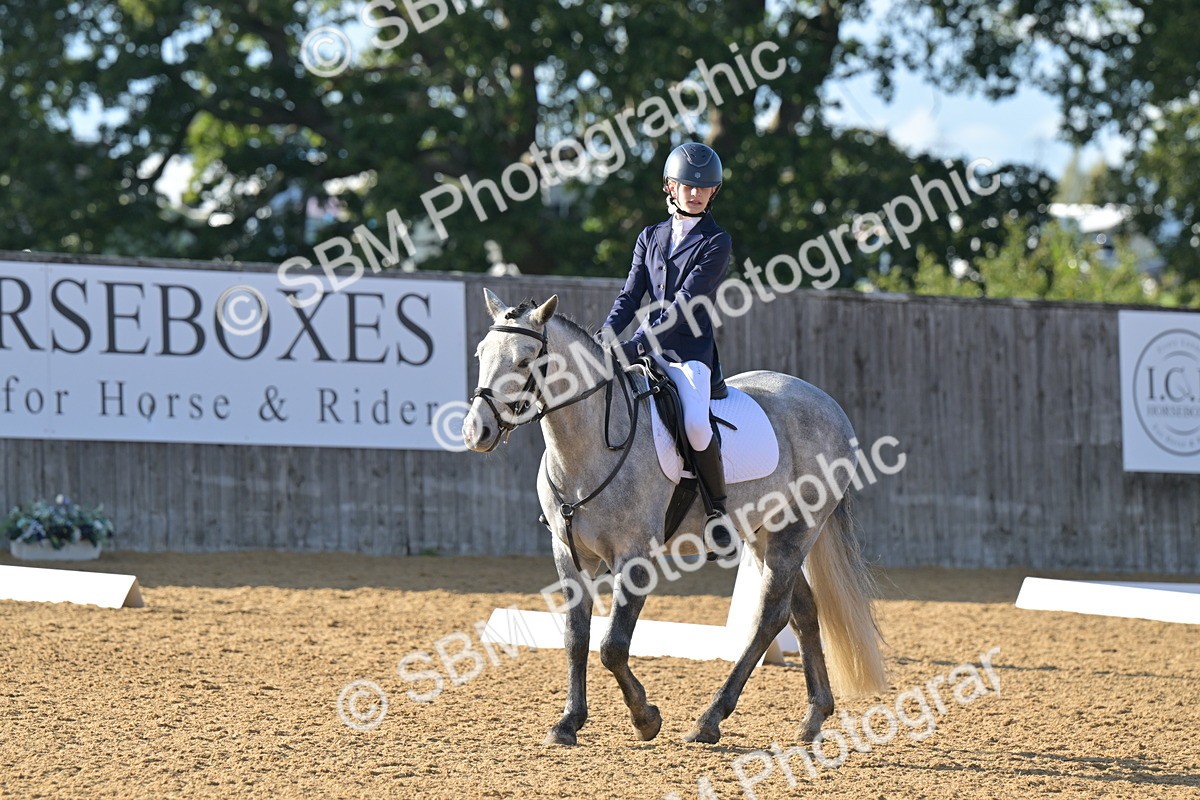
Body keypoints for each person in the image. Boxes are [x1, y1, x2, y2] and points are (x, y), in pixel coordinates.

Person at [597, 141, 734, 552]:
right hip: (646, 347)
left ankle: (717, 513)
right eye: (686, 185)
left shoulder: (716, 241)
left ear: (713, 192)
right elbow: (629, 296)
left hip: (689, 353)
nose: (695, 193)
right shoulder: (650, 236)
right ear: (669, 187)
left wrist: (636, 345)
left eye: (703, 187)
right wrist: (603, 339)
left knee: (694, 423)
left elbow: (683, 305)